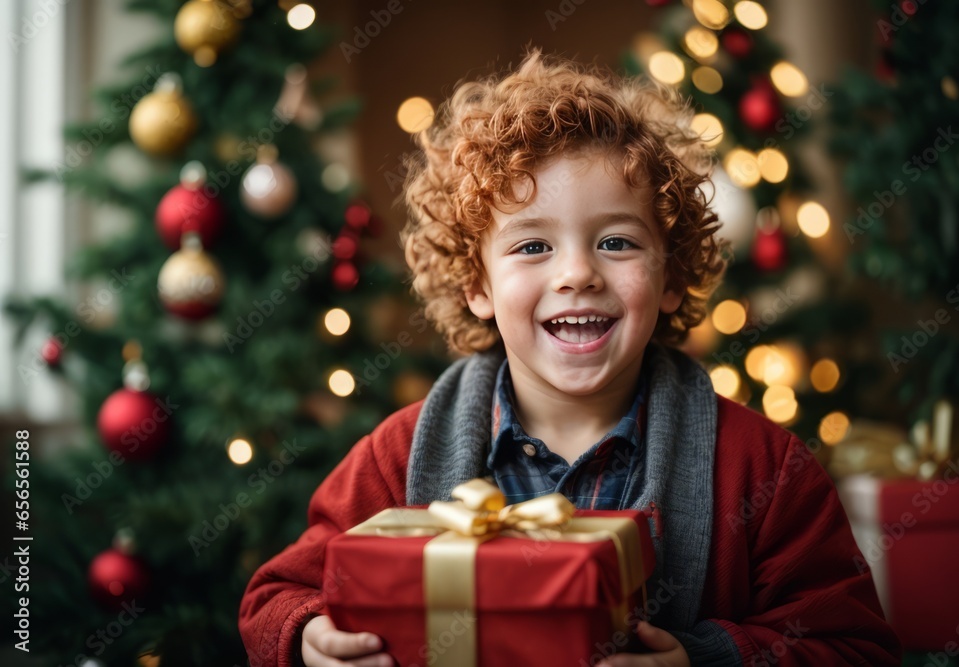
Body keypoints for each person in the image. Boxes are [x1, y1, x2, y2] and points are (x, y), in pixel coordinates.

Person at [239, 49, 901, 667]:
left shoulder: (762, 467)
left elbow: (852, 642)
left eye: (616, 242)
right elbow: (277, 594)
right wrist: (308, 636)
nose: (577, 273)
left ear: (671, 278)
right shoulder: (399, 455)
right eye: (532, 248)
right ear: (477, 284)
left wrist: (705, 655)